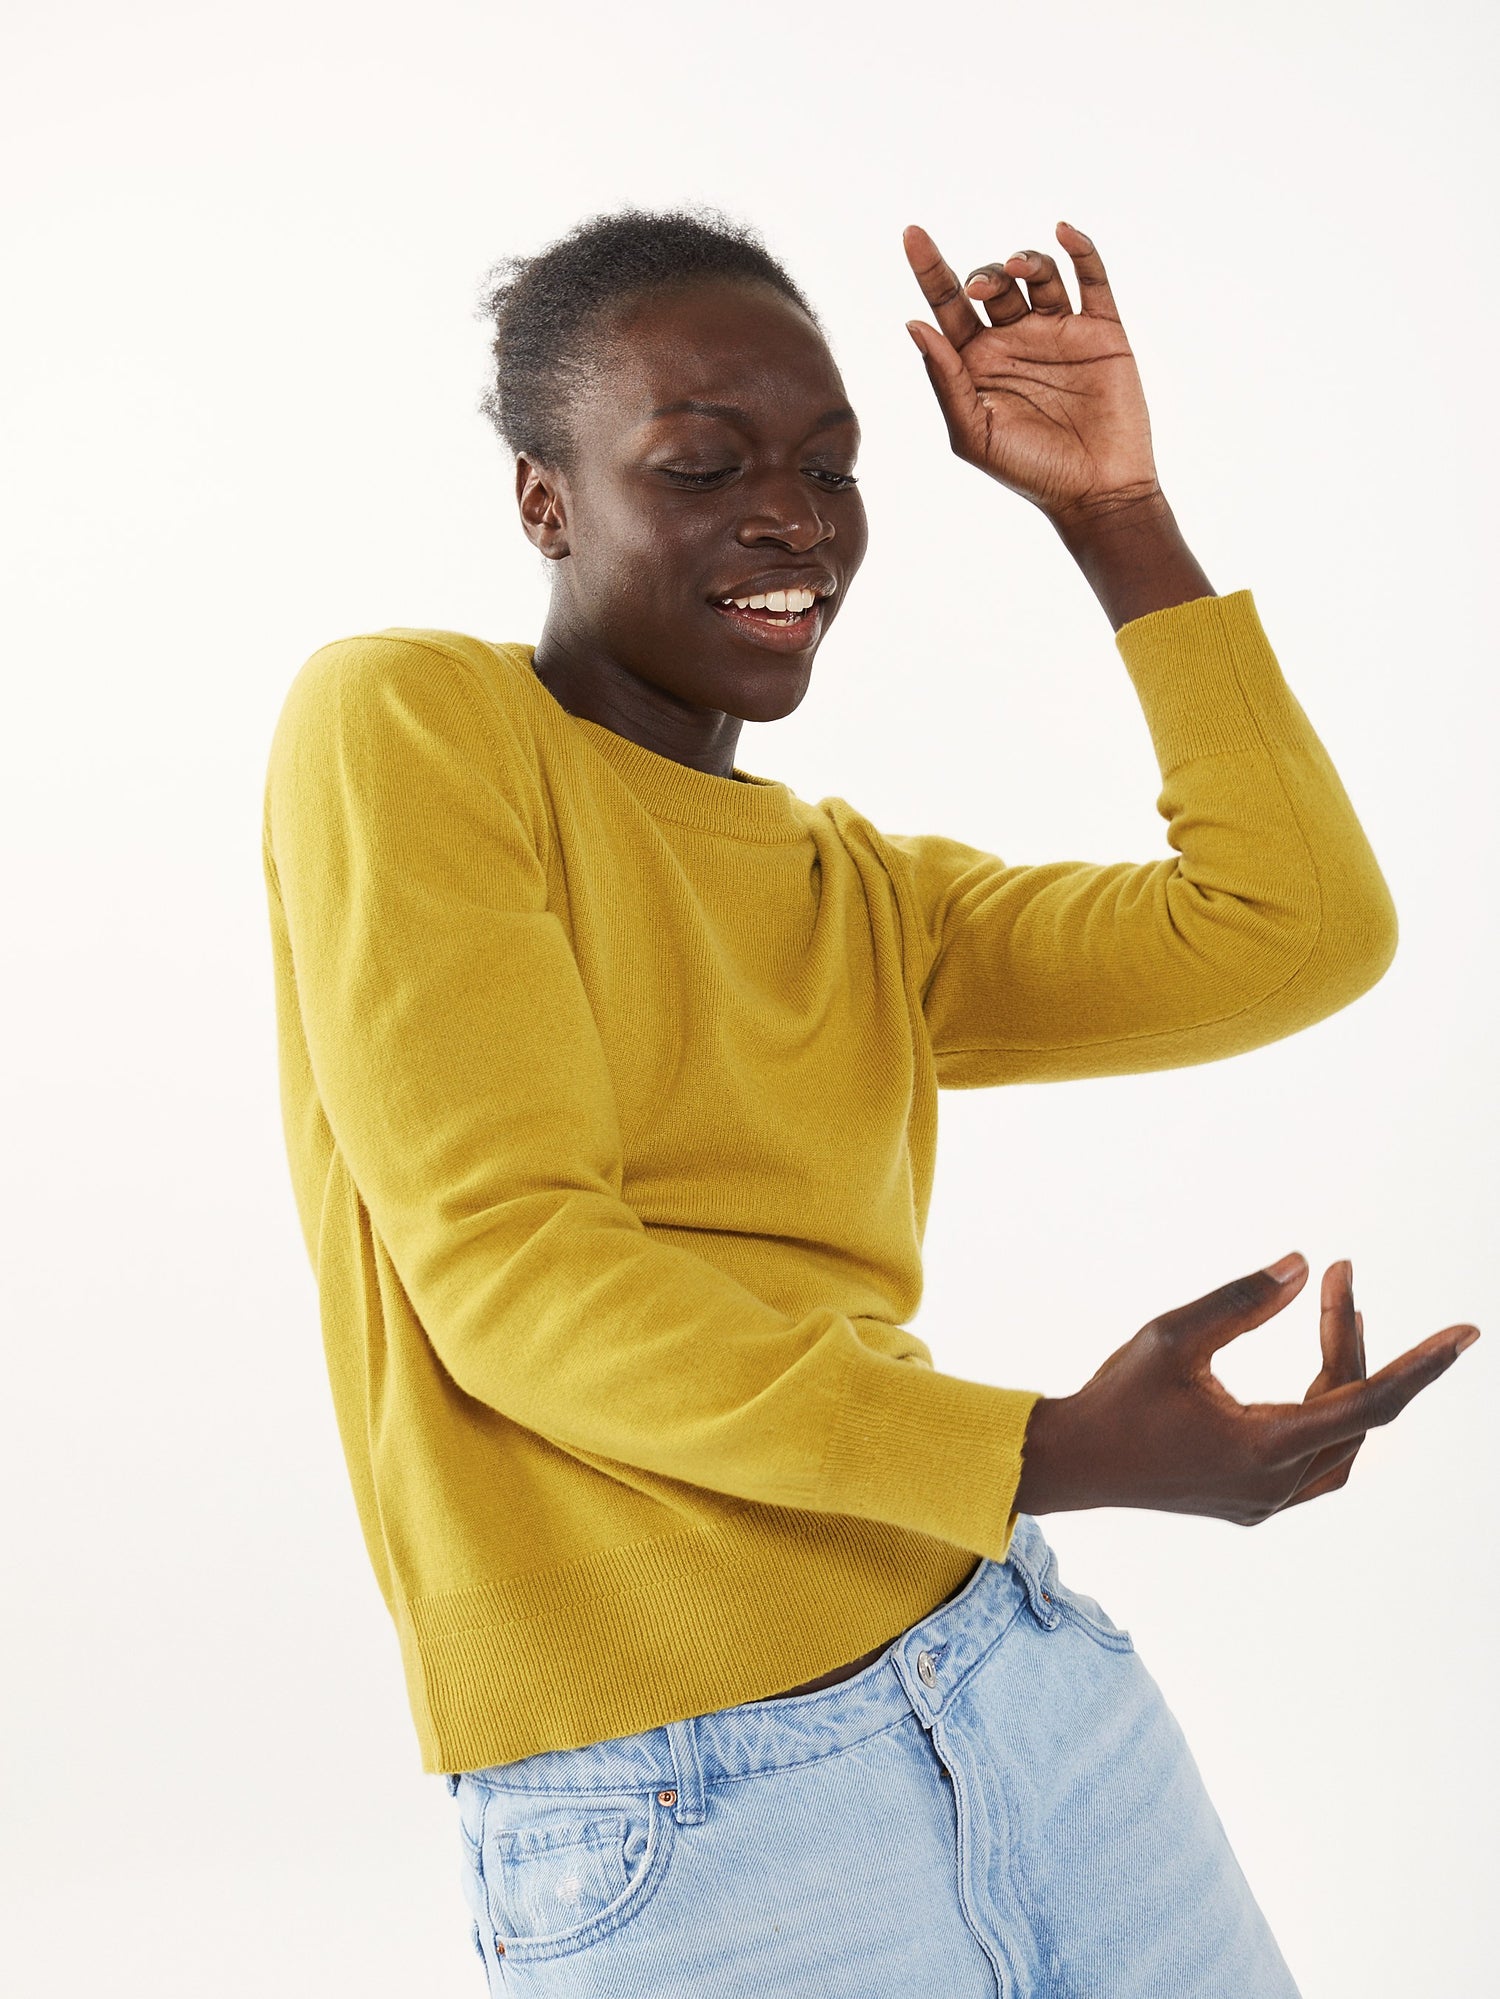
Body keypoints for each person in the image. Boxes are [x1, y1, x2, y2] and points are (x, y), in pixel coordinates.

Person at [261, 206, 1480, 1996]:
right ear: (548, 499)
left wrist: (1116, 521)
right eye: (703, 464)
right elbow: (520, 1277)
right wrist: (1056, 1448)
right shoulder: (411, 725)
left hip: (1024, 1683)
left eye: (832, 468)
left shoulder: (871, 899)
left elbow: (1296, 931)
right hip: (681, 1807)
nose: (792, 516)